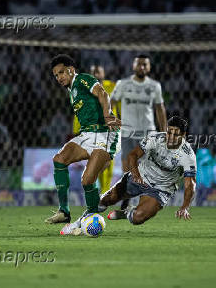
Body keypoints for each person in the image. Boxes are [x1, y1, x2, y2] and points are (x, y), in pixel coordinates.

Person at [60, 116, 196, 235]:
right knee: (107, 199)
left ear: (183, 135)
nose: (170, 137)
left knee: (138, 218)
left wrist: (185, 206)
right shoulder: (155, 138)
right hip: (140, 176)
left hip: (161, 189)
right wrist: (136, 174)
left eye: (176, 134)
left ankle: (125, 213)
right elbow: (133, 155)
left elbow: (190, 184)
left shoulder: (187, 155)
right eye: (169, 132)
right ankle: (76, 224)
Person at [45, 54, 121, 224]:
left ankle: (93, 216)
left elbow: (103, 93)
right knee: (59, 159)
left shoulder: (82, 79)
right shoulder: (71, 91)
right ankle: (64, 211)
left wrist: (108, 115)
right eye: (56, 75)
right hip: (86, 135)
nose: (59, 78)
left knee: (87, 180)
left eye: (62, 72)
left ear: (71, 70)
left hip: (104, 134)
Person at [109, 54, 167, 217]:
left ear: (148, 68)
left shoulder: (154, 86)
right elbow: (111, 102)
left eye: (145, 65)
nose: (142, 67)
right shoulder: (123, 84)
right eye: (139, 64)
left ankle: (143, 205)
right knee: (128, 171)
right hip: (128, 133)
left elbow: (160, 108)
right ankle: (125, 205)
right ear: (133, 66)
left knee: (148, 171)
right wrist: (112, 119)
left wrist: (164, 132)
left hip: (148, 134)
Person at [73, 65, 118, 194]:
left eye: (98, 72)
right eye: (93, 73)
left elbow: (120, 105)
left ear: (104, 74)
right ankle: (98, 192)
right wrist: (76, 130)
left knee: (108, 161)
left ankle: (104, 192)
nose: (96, 75)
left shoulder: (112, 87)